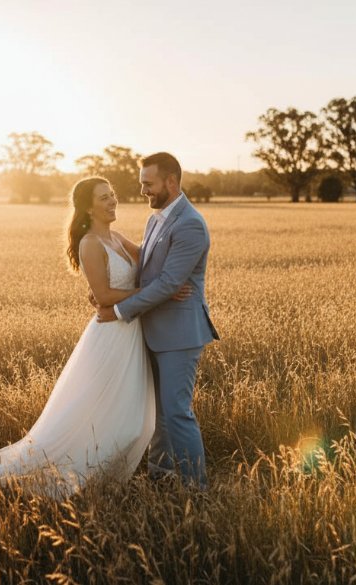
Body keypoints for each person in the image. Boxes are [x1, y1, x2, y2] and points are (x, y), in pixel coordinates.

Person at [0, 177, 189, 498]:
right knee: (123, 422)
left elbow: (150, 261)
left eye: (112, 194)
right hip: (111, 335)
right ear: (88, 208)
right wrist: (159, 291)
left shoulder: (116, 237)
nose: (112, 201)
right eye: (104, 198)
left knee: (138, 421)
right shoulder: (90, 243)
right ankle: (71, 477)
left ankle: (102, 483)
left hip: (132, 334)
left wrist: (176, 245)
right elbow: (104, 295)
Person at [96, 152, 219, 489]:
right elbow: (149, 274)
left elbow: (168, 283)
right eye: (142, 184)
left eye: (148, 184)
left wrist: (117, 310)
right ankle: (160, 476)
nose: (143, 191)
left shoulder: (190, 224)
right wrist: (107, 293)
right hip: (153, 330)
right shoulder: (156, 219)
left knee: (177, 412)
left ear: (171, 181)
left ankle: (197, 488)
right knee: (160, 413)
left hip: (180, 334)